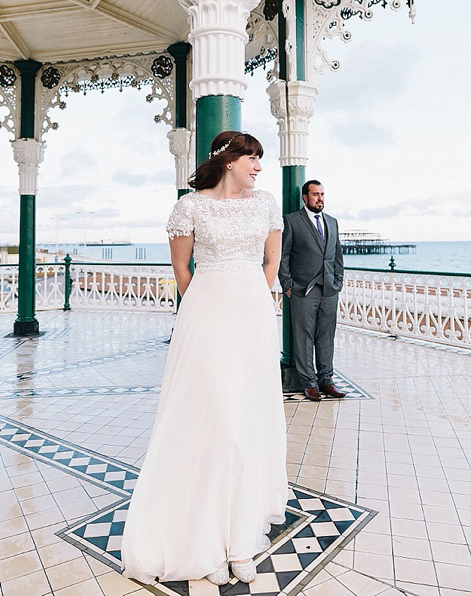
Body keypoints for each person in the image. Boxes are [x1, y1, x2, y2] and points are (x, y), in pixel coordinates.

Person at [121, 131, 288, 587]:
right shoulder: (189, 207)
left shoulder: (267, 203)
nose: (257, 166)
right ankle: (204, 537)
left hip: (253, 316)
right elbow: (181, 269)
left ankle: (239, 537)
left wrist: (257, 298)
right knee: (214, 420)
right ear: (228, 161)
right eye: (251, 158)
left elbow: (271, 262)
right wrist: (206, 311)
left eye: (260, 158)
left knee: (247, 419)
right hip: (207, 317)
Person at [279, 179, 345, 401]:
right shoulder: (291, 221)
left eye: (323, 194)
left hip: (329, 289)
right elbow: (283, 256)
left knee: (326, 336)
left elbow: (337, 256)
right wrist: (287, 285)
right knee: (304, 337)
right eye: (315, 195)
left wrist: (338, 281)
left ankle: (326, 380)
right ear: (305, 198)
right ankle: (309, 383)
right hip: (303, 290)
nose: (320, 199)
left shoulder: (332, 222)